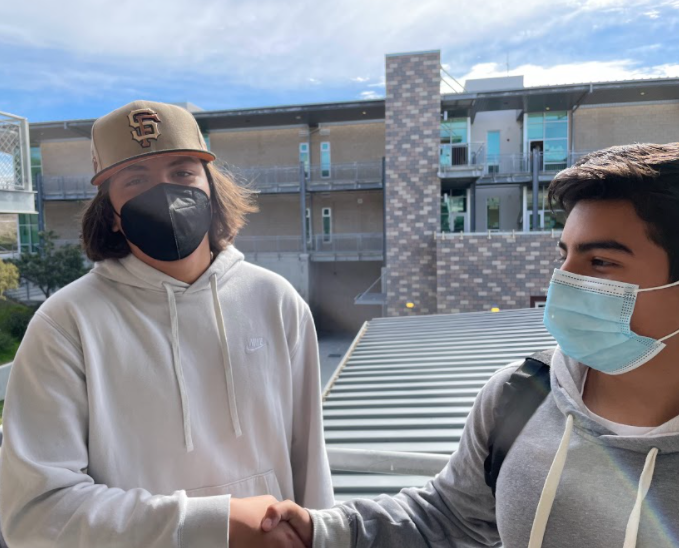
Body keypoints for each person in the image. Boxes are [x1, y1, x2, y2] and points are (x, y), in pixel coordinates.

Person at [258, 143, 679, 548]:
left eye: (600, 262)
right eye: (564, 256)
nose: (562, 282)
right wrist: (321, 530)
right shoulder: (522, 394)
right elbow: (447, 518)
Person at [0, 100, 334, 547]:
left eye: (182, 173)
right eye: (136, 179)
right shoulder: (66, 323)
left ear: (210, 188)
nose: (165, 193)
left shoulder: (276, 301)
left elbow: (311, 467)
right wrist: (217, 525)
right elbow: (35, 514)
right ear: (112, 211)